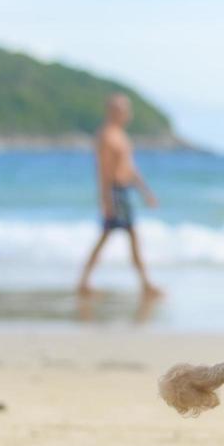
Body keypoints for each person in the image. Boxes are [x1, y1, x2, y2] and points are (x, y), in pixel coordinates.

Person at [77, 93, 162, 296]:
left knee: (115, 237)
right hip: (114, 192)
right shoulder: (106, 136)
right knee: (121, 236)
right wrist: (105, 200)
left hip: (123, 191)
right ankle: (144, 283)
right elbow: (103, 171)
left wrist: (145, 192)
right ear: (114, 111)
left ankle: (85, 282)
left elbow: (130, 168)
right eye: (125, 109)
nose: (129, 114)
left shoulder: (121, 135)